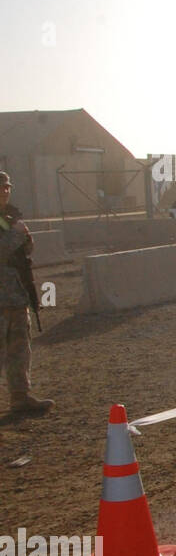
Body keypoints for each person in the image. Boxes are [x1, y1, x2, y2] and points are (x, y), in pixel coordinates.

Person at [0, 172, 54, 414]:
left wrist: (21, 235)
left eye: (6, 188)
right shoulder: (12, 224)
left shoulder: (10, 218)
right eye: (1, 189)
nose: (4, 192)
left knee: (20, 350)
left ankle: (20, 397)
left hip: (16, 294)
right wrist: (17, 234)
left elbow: (27, 248)